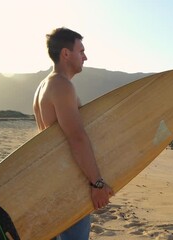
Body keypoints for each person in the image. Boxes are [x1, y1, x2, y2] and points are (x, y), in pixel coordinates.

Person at [33, 27, 114, 240]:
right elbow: (76, 137)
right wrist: (96, 183)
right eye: (81, 51)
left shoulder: (43, 86)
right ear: (66, 54)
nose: (85, 57)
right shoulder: (61, 85)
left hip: (51, 181)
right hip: (67, 184)